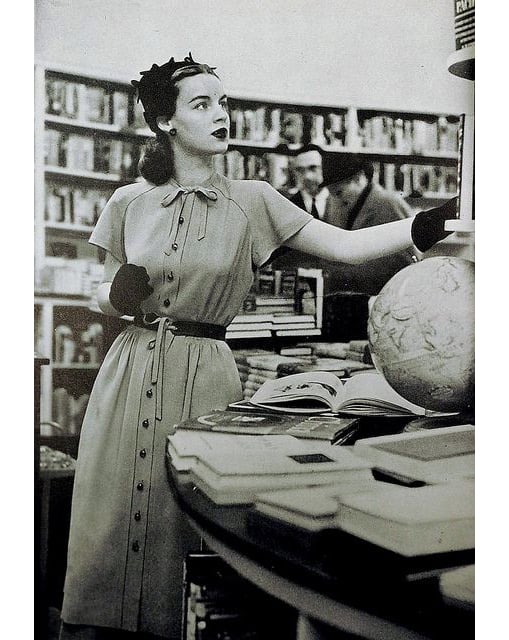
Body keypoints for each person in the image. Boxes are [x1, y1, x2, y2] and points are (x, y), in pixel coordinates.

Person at [59, 53, 457, 640]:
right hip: (129, 370)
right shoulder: (128, 203)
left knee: (191, 518)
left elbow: (345, 247)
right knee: (110, 520)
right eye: (203, 104)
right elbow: (103, 294)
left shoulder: (255, 200)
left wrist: (431, 223)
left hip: (205, 370)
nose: (221, 114)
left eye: (223, 103)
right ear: (167, 121)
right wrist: (115, 294)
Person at [319, 154, 417, 295]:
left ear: (359, 179)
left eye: (339, 193)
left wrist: (339, 274)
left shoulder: (388, 204)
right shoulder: (340, 203)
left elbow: (402, 263)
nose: (336, 200)